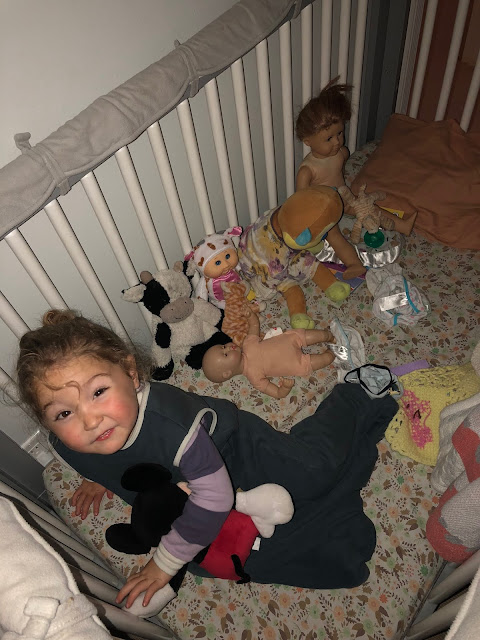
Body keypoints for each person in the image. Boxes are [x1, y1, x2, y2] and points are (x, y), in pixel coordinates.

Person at [15, 309, 398, 613]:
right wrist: (95, 475)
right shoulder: (69, 443)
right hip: (187, 486)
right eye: (63, 413)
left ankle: (356, 392)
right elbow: (90, 449)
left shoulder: (173, 427)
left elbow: (214, 498)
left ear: (131, 374)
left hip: (238, 451)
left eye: (98, 392)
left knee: (315, 470)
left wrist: (162, 564)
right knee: (227, 556)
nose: (89, 420)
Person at [295, 77, 416, 235]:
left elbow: (339, 170)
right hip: (324, 211)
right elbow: (300, 204)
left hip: (345, 202)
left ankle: (403, 225)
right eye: (329, 139)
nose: (337, 141)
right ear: (308, 141)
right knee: (334, 236)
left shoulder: (341, 153)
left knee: (371, 209)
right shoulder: (307, 171)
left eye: (339, 133)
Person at [202, 305, 335, 398]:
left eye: (223, 346)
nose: (228, 347)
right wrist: (285, 388)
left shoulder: (247, 344)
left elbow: (254, 325)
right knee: (325, 359)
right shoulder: (254, 377)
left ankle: (330, 336)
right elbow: (277, 393)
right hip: (298, 363)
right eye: (225, 354)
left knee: (319, 335)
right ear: (227, 373)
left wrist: (250, 315)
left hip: (292, 340)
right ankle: (334, 352)